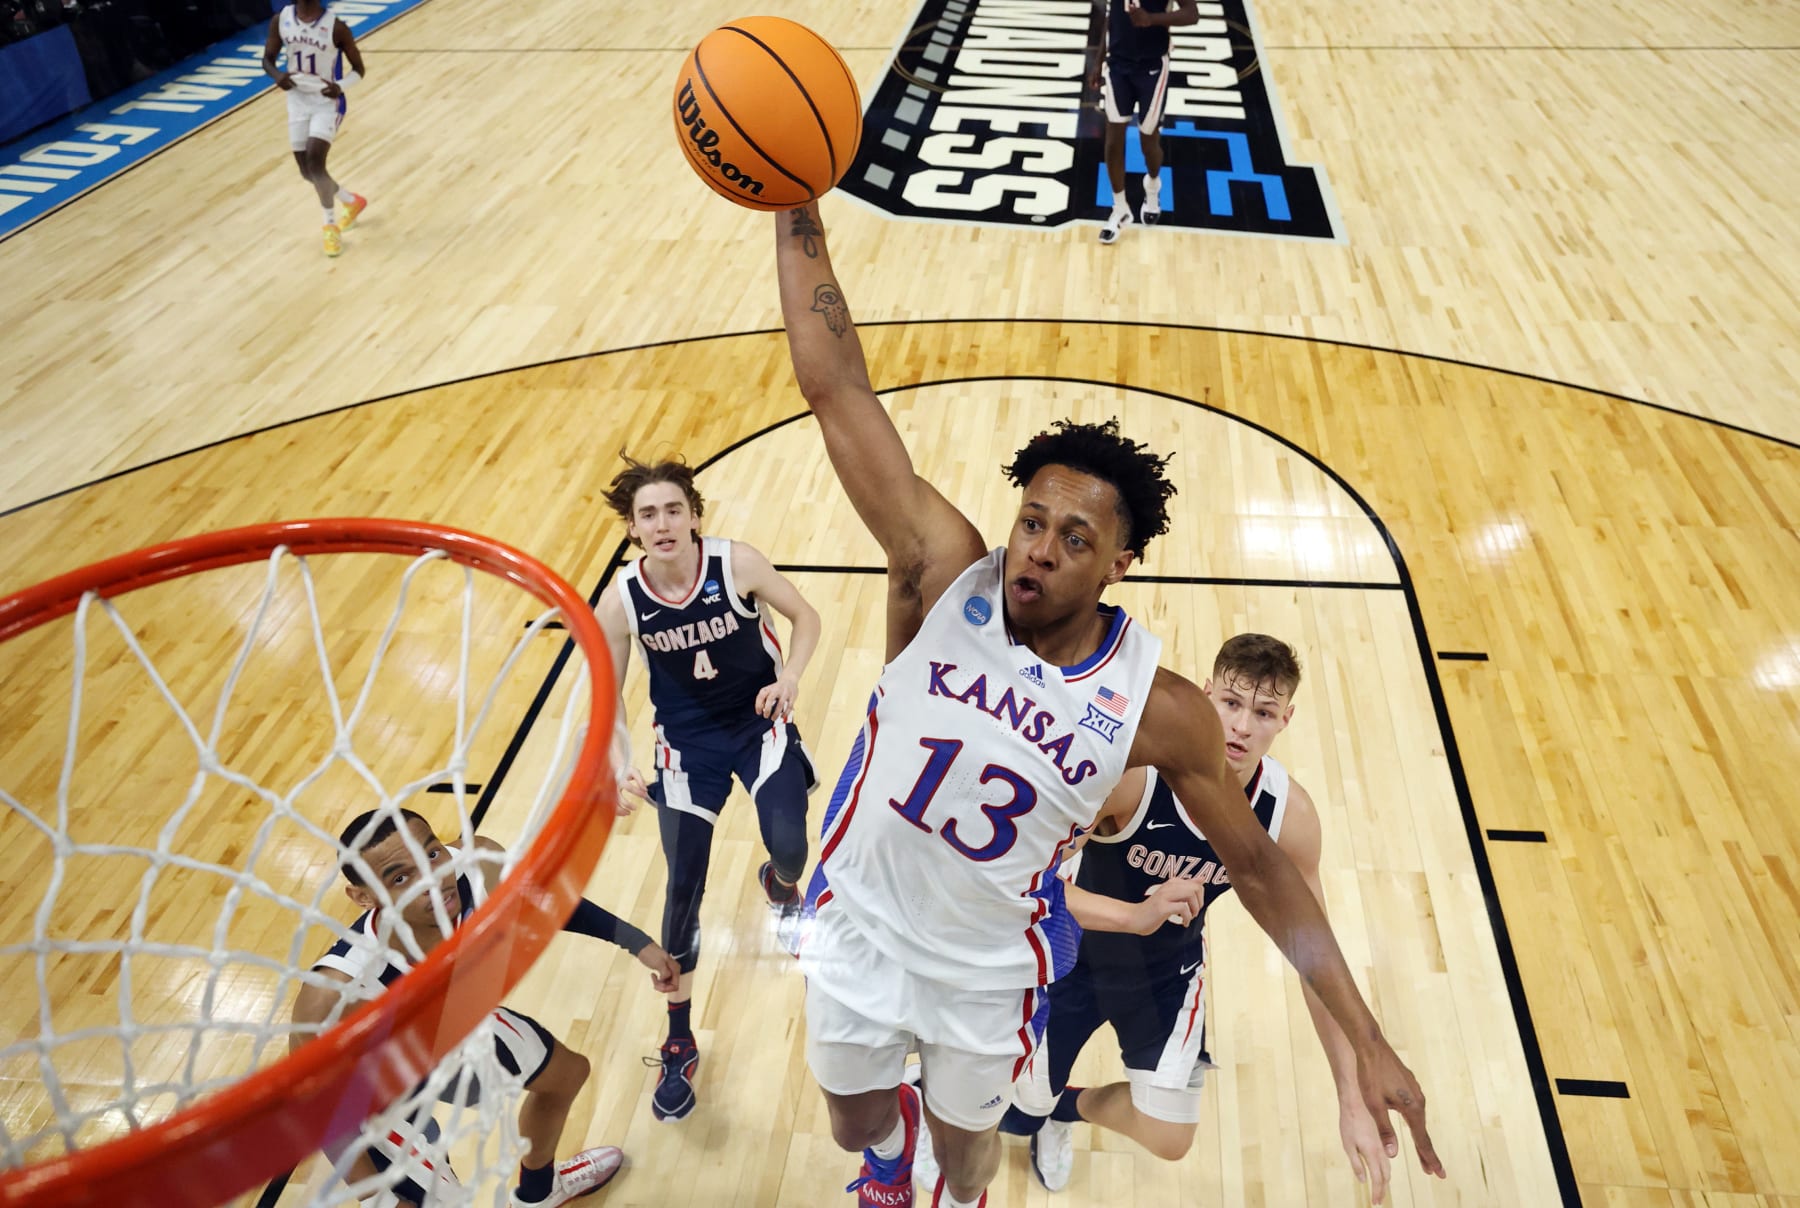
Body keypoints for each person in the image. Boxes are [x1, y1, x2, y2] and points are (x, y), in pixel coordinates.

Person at [772, 200, 1445, 1208]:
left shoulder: (1156, 705)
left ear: (1120, 562)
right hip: (858, 918)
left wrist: (1369, 1037)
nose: (1039, 546)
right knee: (853, 1121)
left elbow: (1260, 870)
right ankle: (885, 1141)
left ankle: (949, 1171)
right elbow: (836, 388)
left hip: (987, 963)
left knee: (968, 1160)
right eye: (1032, 519)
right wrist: (793, 201)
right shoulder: (940, 569)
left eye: (1074, 537)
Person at [946, 634, 1394, 1203]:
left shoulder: (1289, 816)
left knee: (1170, 1136)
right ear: (1206, 694)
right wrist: (1134, 915)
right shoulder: (1134, 776)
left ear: (1286, 719)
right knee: (1014, 1116)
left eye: (1262, 713)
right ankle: (1025, 1102)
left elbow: (1314, 960)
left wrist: (1351, 1097)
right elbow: (1030, 884)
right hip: (1072, 956)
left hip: (1167, 970)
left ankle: (1067, 1109)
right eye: (1230, 703)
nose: (1241, 727)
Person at [290, 808, 681, 1207]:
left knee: (566, 1075)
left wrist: (636, 942)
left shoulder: (478, 865)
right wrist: (375, 1195)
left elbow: (545, 899)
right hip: (381, 1089)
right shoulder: (336, 992)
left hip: (447, 1027)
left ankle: (539, 1191)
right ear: (362, 897)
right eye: (401, 878)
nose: (434, 880)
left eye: (432, 854)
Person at [597, 453, 822, 1123]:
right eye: (647, 515)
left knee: (789, 846)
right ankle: (678, 1034)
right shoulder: (622, 599)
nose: (662, 523)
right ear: (633, 530)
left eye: (673, 510)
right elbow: (604, 691)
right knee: (682, 886)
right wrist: (618, 762)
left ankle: (781, 889)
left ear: (694, 516)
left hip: (758, 721)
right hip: (685, 746)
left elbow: (806, 619)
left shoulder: (737, 564)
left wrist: (792, 679)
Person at [262, 0, 369, 258]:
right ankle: (351, 201)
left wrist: (340, 86)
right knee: (306, 171)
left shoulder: (336, 27)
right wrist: (277, 76)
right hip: (297, 101)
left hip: (327, 102)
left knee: (315, 163)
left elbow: (359, 70)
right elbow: (267, 60)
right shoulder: (281, 19)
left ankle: (330, 226)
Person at [1087, 0, 1198, 244]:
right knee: (1113, 141)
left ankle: (1153, 184)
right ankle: (1119, 209)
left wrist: (1153, 19)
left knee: (1148, 143)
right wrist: (1098, 59)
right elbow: (1112, 16)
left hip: (1153, 67)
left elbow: (1192, 14)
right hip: (1117, 67)